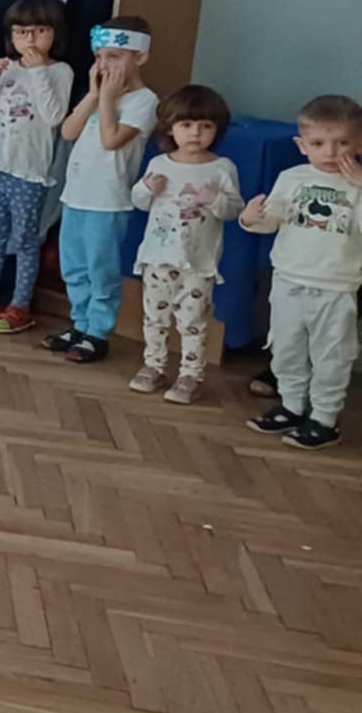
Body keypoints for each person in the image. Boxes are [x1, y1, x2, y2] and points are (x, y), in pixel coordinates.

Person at [240, 93, 362, 449]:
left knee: (332, 355)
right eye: (318, 143)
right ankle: (292, 405)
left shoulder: (358, 185)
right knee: (286, 347)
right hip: (288, 280)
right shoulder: (292, 178)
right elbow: (272, 220)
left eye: (342, 143)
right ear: (302, 145)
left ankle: (324, 419)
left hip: (336, 287)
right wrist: (251, 218)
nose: (330, 152)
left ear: (359, 143)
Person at [0, 0, 75, 334]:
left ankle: (20, 305)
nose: (30, 39)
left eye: (39, 31)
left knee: (25, 241)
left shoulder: (60, 71)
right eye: (22, 32)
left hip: (28, 172)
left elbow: (54, 116)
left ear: (54, 33)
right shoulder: (7, 67)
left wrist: (37, 72)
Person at [46, 17, 158, 364]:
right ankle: (80, 324)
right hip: (76, 196)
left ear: (140, 58)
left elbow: (111, 140)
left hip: (107, 202)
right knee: (74, 267)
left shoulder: (144, 101)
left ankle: (98, 331)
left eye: (114, 57)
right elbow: (68, 132)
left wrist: (107, 99)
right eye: (99, 57)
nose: (104, 65)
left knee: (100, 270)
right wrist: (94, 96)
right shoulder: (99, 96)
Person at [124, 85, 243, 404]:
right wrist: (146, 189)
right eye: (186, 125)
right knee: (155, 317)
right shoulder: (159, 163)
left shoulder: (222, 168)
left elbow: (234, 210)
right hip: (158, 258)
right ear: (170, 128)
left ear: (217, 130)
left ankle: (190, 375)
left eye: (205, 126)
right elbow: (139, 201)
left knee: (192, 321)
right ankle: (154, 366)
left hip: (198, 262)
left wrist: (214, 199)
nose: (195, 133)